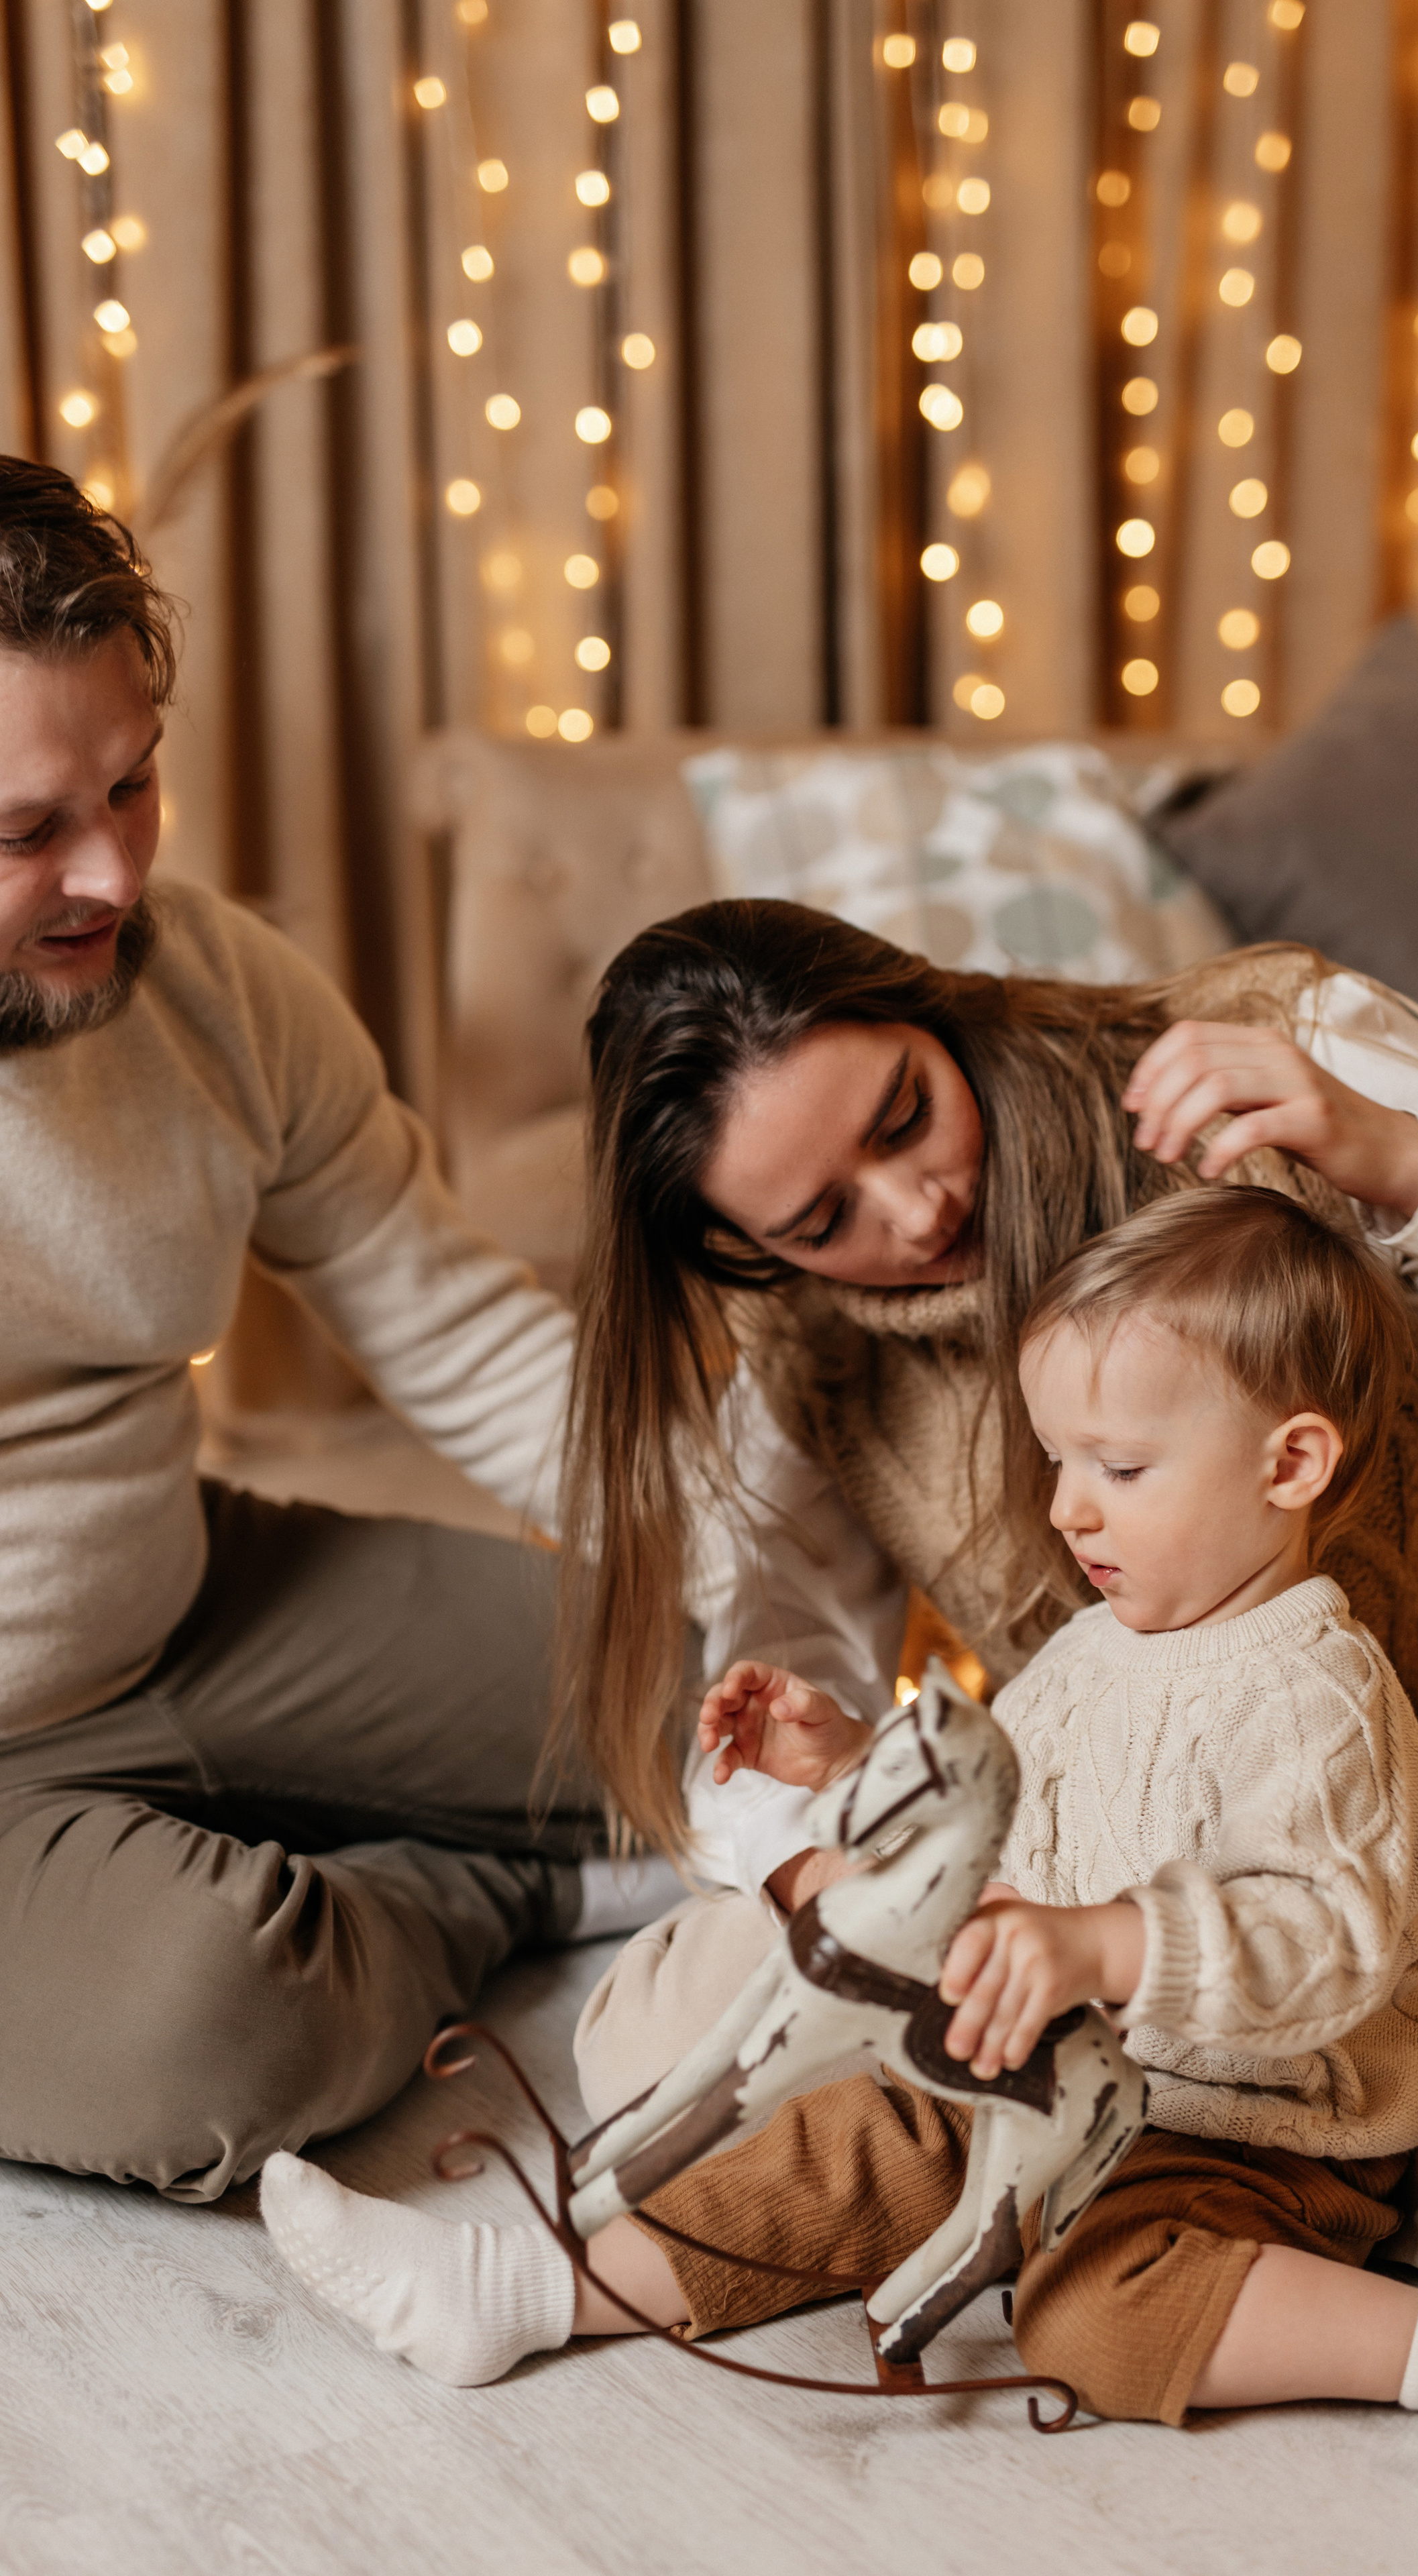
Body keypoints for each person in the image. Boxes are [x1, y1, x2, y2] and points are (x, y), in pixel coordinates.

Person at [259, 1187, 1418, 2522]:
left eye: (1118, 1471)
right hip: (1056, 2068)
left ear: (1287, 1466)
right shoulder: (1090, 1650)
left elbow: (1328, 1943)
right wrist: (849, 1762)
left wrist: (1103, 1945)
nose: (1068, 1509)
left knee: (1088, 2311)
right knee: (843, 2136)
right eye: (1057, 1462)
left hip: (1251, 2122)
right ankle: (522, 2288)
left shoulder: (1315, 1694)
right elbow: (996, 1818)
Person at [551, 898, 1418, 2382]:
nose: (908, 1214)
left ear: (925, 1006)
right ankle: (1229, 2157)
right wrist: (818, 1811)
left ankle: (1303, 2144)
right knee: (646, 2038)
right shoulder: (813, 1357)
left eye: (904, 1117)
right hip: (1120, 1925)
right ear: (744, 1249)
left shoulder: (1265, 1060)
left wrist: (1399, 1161)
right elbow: (818, 1691)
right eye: (819, 1221)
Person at [0, 459, 675, 2205]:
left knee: (725, 1697)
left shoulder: (215, 989)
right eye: (26, 832)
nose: (109, 872)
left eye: (132, 788)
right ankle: (485, 1892)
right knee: (215, 2029)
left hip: (198, 1602)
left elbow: (454, 1324)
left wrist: (730, 1551)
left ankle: (269, 1844)